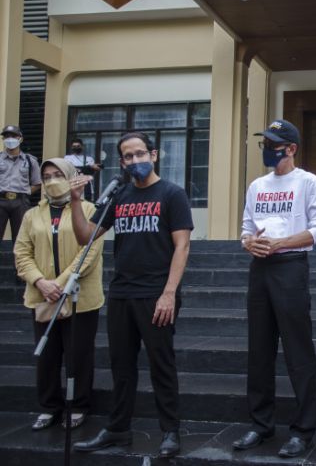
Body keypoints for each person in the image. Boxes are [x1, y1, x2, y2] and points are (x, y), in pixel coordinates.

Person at [70, 132, 193, 458]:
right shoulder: (119, 196)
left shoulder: (172, 194)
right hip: (122, 293)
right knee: (121, 365)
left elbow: (182, 246)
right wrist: (75, 200)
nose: (135, 160)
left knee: (161, 364)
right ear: (122, 162)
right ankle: (118, 429)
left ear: (153, 155)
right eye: (128, 156)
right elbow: (86, 237)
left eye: (140, 153)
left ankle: (170, 431)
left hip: (156, 294)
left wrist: (169, 293)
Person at [233, 119, 316, 458]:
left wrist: (281, 244)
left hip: (290, 267)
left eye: (274, 145)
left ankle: (303, 431)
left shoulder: (307, 181)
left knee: (297, 351)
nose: (267, 150)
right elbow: (246, 229)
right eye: (265, 144)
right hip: (260, 268)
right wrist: (251, 244)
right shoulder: (257, 186)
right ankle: (260, 425)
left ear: (291, 149)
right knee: (258, 350)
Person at [14, 158, 104, 432]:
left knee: (78, 354)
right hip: (42, 296)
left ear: (70, 176)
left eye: (58, 174)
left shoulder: (89, 210)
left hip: (79, 297)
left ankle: (78, 405)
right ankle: (49, 406)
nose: (52, 180)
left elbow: (88, 252)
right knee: (47, 356)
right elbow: (22, 252)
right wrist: (41, 282)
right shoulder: (32, 215)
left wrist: (62, 283)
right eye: (47, 176)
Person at [0, 125, 41, 243]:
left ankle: (19, 262)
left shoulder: (30, 160)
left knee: (21, 239)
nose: (10, 139)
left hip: (21, 201)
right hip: (0, 199)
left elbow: (37, 183)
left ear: (20, 138)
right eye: (6, 136)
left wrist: (26, 192)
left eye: (13, 136)